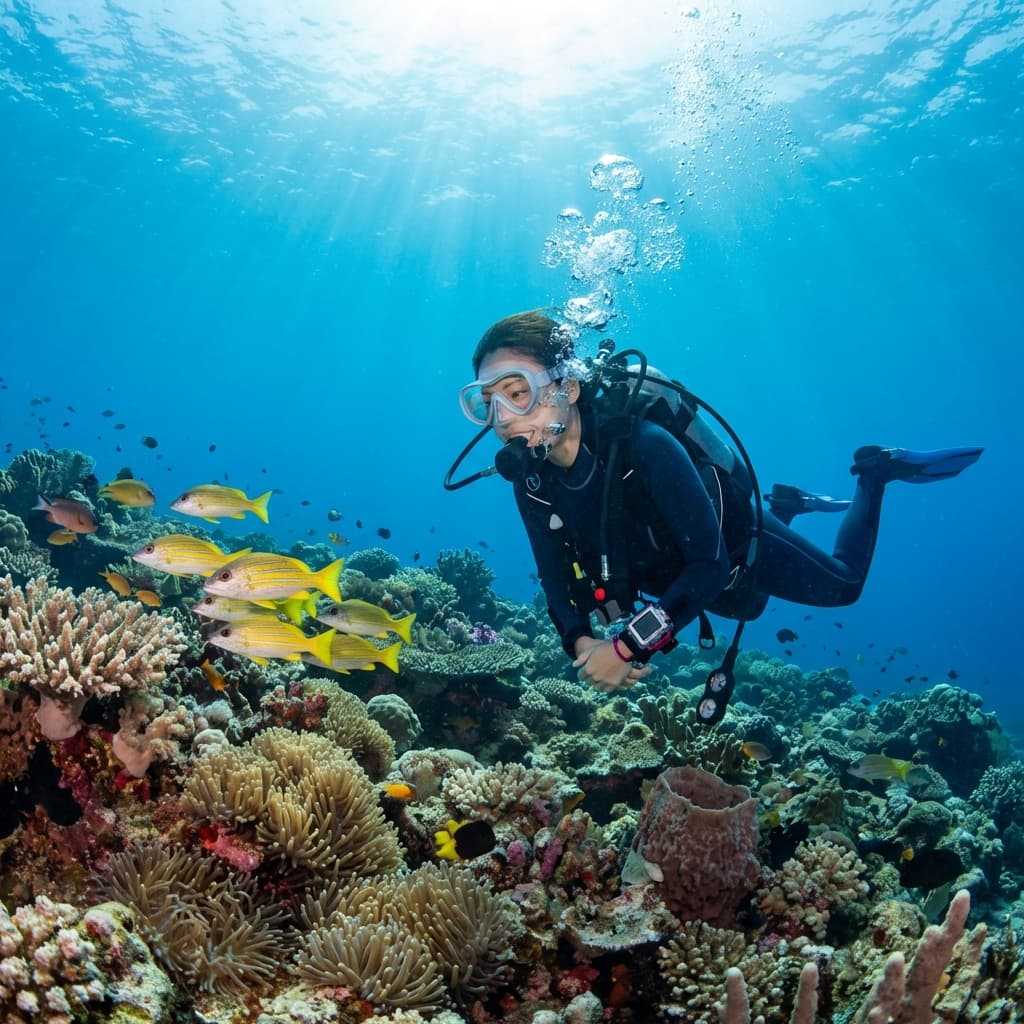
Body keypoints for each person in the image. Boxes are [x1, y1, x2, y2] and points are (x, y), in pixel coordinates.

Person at [457, 310, 983, 715]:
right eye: (487, 403)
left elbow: (708, 568)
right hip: (681, 581)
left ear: (566, 386)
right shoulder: (531, 478)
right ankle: (791, 506)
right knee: (750, 608)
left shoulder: (646, 445)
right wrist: (581, 640)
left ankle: (874, 472)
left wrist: (625, 651)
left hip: (729, 545)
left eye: (517, 393)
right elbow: (554, 578)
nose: (502, 419)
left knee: (843, 587)